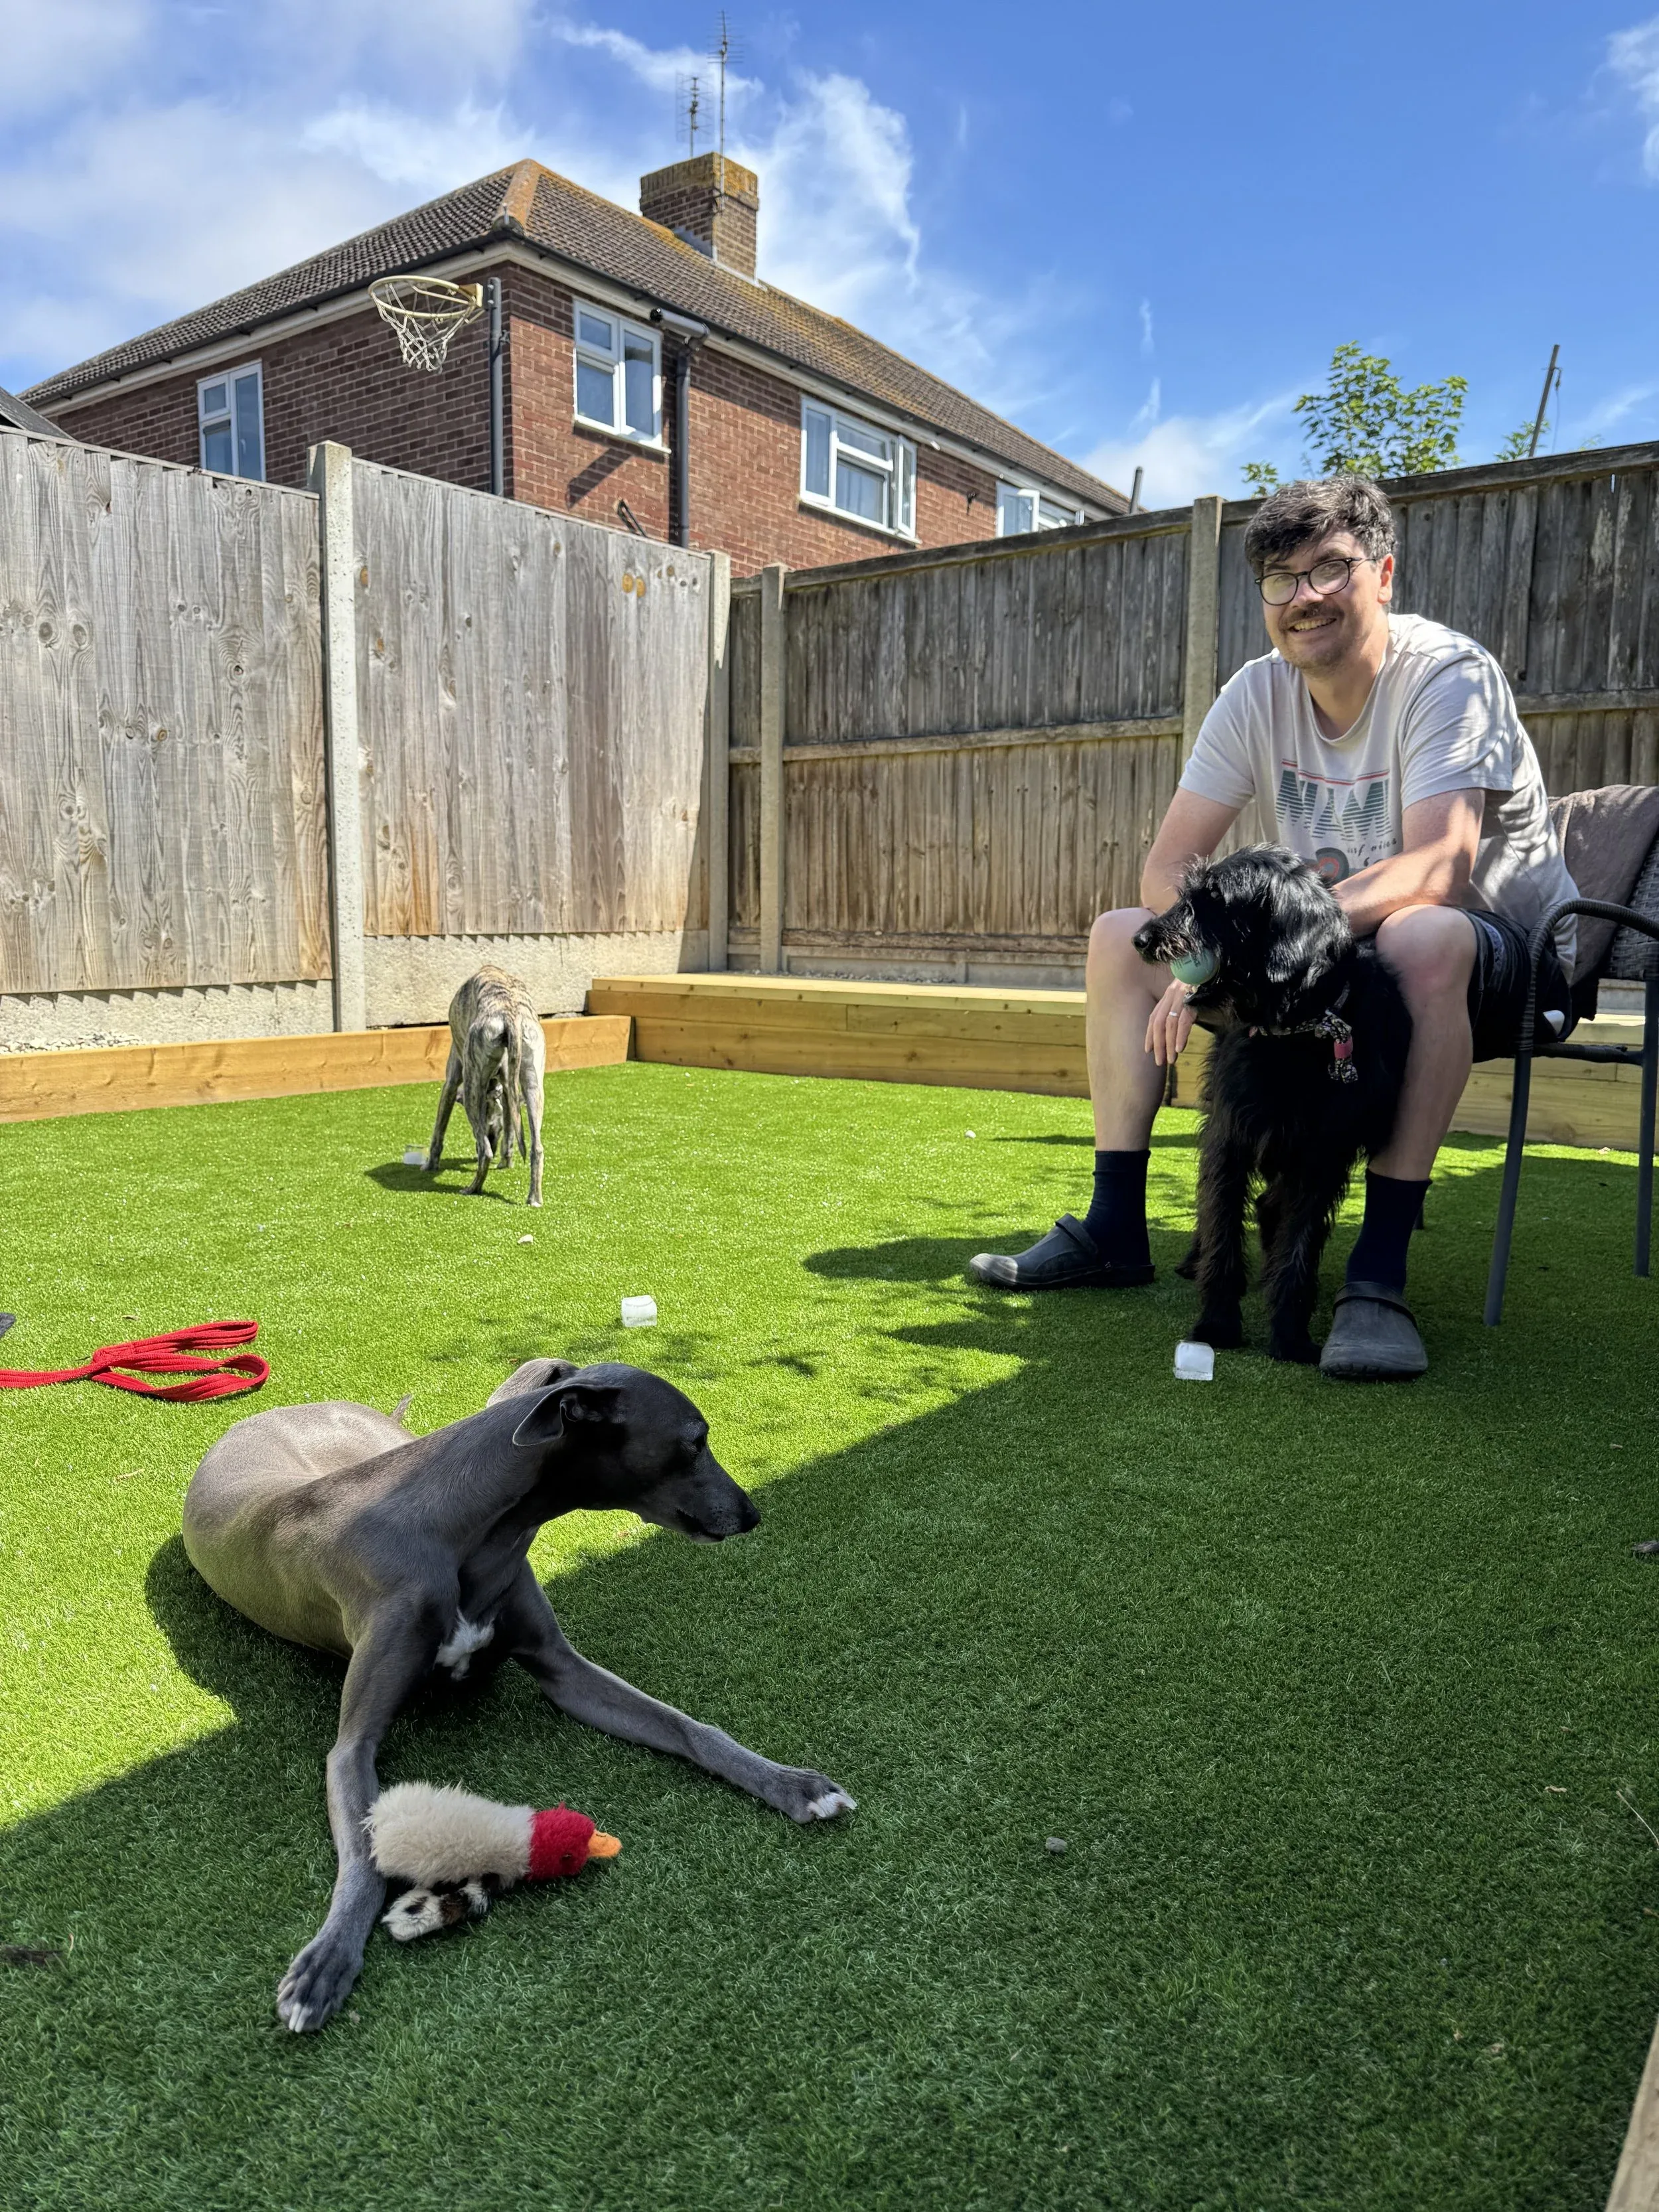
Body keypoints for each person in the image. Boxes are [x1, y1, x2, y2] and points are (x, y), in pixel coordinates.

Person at [969, 473, 1579, 1380]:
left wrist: (1281, 937)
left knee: (1422, 936)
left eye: (1331, 569)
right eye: (1282, 580)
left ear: (1384, 574)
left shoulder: (1449, 678)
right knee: (1120, 934)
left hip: (1501, 958)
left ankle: (1375, 1274)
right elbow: (1169, 867)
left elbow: (1437, 872)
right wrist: (1197, 967)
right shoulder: (1255, 694)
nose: (1306, 598)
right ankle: (1114, 1226)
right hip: (1326, 966)